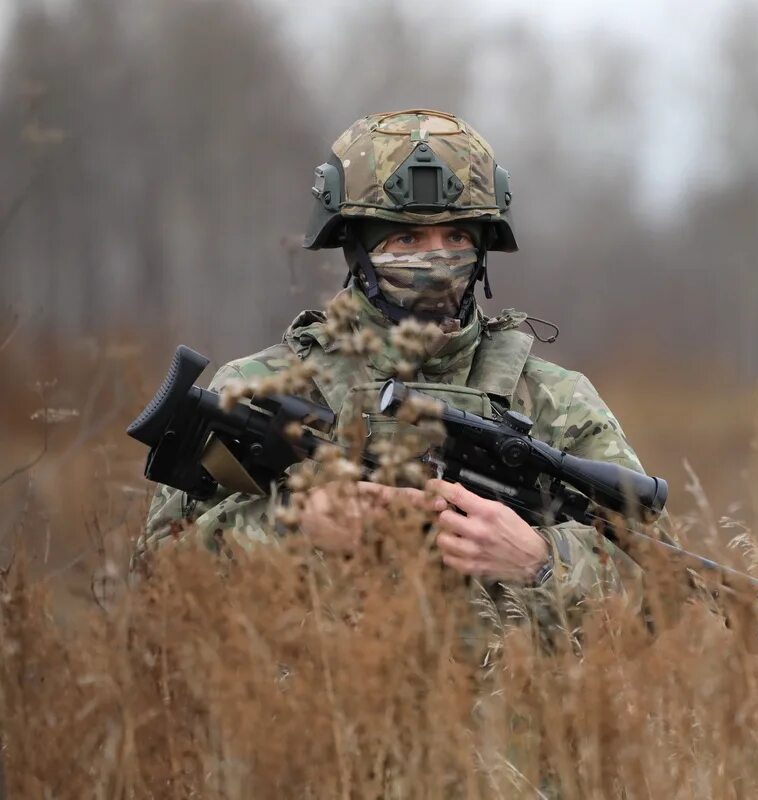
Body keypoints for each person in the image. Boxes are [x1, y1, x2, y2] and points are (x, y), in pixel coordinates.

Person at [137, 108, 650, 604]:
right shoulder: (264, 389)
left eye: (455, 236)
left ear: (483, 248)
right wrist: (292, 527)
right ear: (355, 249)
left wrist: (541, 561)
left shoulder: (555, 402)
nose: (435, 257)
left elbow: (658, 583)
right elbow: (158, 583)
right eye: (406, 238)